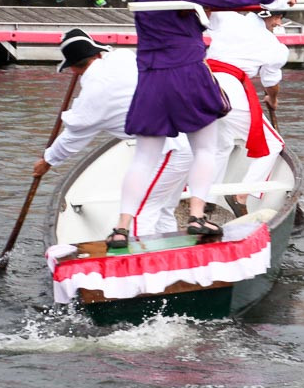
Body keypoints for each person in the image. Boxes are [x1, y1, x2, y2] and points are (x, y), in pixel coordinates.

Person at [121, 0, 291, 241]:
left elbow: (199, 6)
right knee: (205, 148)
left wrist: (204, 8)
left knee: (144, 157)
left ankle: (121, 227)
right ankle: (198, 215)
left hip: (149, 75)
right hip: (186, 72)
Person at [36, 30, 192, 240]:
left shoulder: (92, 96)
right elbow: (110, 52)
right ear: (97, 54)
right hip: (186, 142)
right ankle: (172, 260)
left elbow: (72, 138)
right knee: (162, 208)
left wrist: (48, 160)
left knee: (138, 212)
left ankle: (140, 266)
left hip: (169, 149)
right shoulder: (123, 57)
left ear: (73, 68)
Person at [205, 10, 289, 208]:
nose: (278, 22)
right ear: (266, 14)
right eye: (277, 16)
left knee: (222, 144)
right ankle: (241, 196)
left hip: (201, 81)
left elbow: (205, 11)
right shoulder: (274, 46)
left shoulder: (228, 18)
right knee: (273, 145)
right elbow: (271, 82)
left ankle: (206, 198)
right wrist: (273, 99)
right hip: (228, 90)